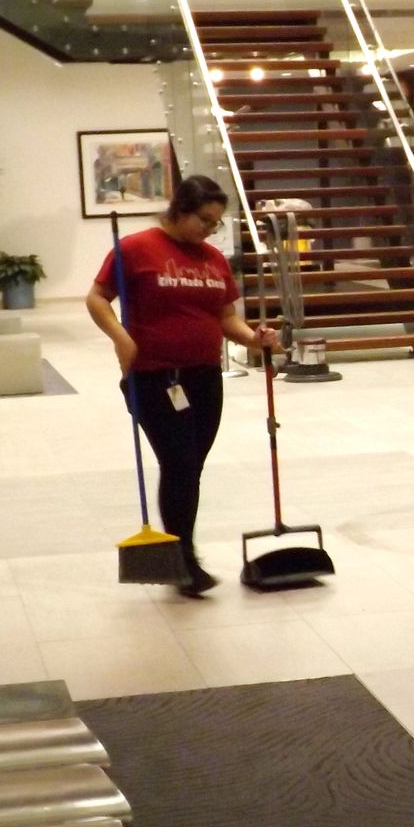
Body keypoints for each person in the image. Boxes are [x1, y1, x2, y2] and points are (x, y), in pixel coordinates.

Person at [87, 174, 278, 596]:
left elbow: (226, 318)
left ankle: (182, 554)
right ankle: (185, 561)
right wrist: (122, 337)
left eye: (216, 223)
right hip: (155, 376)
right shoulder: (137, 249)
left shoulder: (212, 258)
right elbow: (97, 298)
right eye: (204, 220)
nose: (210, 230)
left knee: (191, 467)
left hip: (204, 376)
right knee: (179, 464)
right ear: (180, 210)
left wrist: (254, 338)